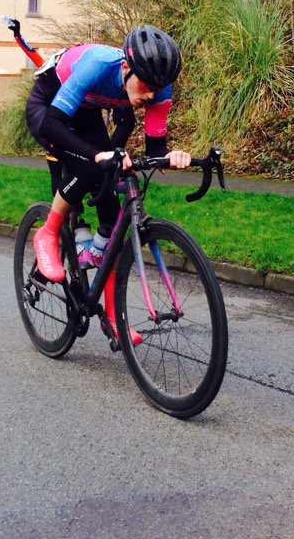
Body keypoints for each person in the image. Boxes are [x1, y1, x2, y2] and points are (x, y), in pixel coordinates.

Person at [25, 24, 190, 346]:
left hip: (86, 111)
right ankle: (47, 232)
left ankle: (114, 317)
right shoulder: (98, 65)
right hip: (48, 107)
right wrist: (96, 155)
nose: (152, 95)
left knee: (115, 223)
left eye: (160, 87)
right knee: (90, 164)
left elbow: (156, 149)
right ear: (126, 67)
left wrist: (173, 156)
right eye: (146, 84)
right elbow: (55, 124)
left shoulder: (157, 88)